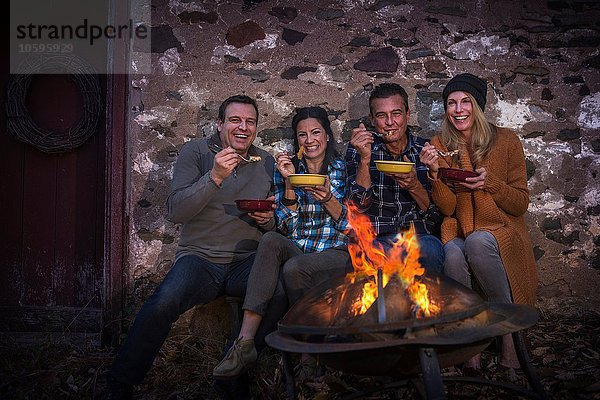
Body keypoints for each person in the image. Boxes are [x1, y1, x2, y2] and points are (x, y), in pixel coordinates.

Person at [106, 95, 287, 400]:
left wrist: (268, 220)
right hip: (200, 259)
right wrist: (214, 177)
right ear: (220, 125)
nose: (243, 128)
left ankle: (231, 375)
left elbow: (272, 225)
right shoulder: (197, 152)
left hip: (246, 261)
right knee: (163, 302)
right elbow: (176, 212)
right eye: (235, 120)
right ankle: (120, 383)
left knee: (280, 290)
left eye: (250, 122)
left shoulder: (265, 162)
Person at [213, 106, 351, 378]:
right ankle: (245, 342)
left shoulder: (342, 170)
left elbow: (351, 228)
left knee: (294, 268)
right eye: (302, 135)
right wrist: (289, 182)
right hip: (299, 247)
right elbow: (285, 227)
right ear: (296, 140)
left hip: (336, 251)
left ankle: (308, 349)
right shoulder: (287, 171)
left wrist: (327, 199)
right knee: (272, 240)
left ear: (327, 136)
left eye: (315, 133)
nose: (309, 140)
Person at [419, 73, 538, 371]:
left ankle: (508, 335)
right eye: (451, 103)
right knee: (455, 252)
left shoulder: (507, 140)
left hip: (500, 229)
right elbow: (447, 208)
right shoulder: (440, 143)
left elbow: (520, 203)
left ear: (478, 106)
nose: (459, 109)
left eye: (465, 102)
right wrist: (434, 175)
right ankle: (473, 342)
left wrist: (492, 185)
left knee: (478, 240)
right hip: (461, 228)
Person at [345, 82, 444, 272]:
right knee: (360, 255)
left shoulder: (424, 150)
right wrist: (365, 159)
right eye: (382, 115)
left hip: (418, 237)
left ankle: (425, 302)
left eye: (396, 114)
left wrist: (414, 186)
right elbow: (356, 208)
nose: (390, 122)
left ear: (407, 115)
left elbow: (436, 217)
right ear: (372, 120)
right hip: (376, 237)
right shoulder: (360, 148)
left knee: (431, 249)